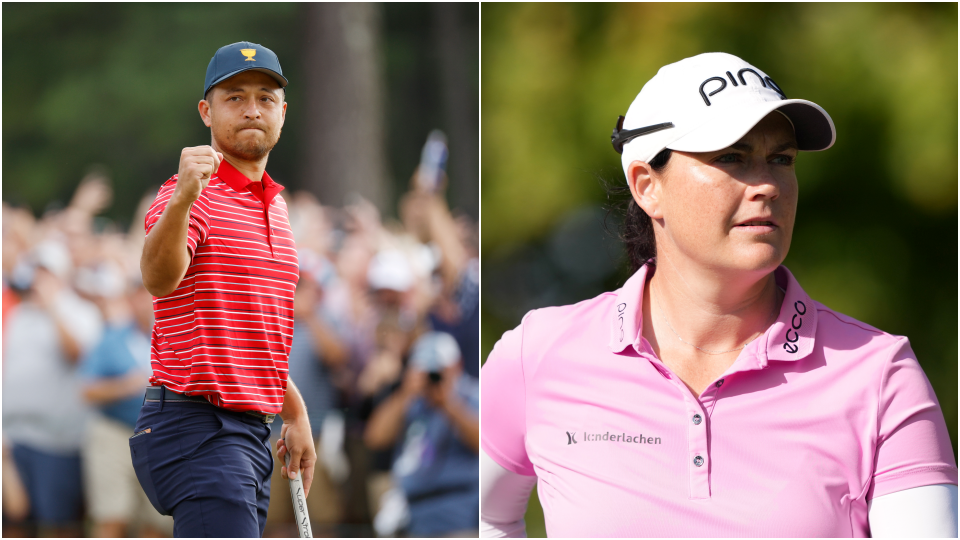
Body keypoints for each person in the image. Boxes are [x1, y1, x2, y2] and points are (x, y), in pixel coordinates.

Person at [480, 53, 958, 537]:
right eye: (731, 156)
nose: (768, 184)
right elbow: (482, 514)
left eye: (782, 159)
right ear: (648, 187)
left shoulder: (880, 375)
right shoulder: (537, 353)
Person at [133, 41, 316, 537]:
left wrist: (293, 411)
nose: (252, 109)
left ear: (282, 112)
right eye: (234, 97)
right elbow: (157, 278)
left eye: (264, 97)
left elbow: (251, 332)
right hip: (197, 425)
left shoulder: (275, 207)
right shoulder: (189, 191)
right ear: (206, 113)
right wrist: (183, 202)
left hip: (248, 431)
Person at [2, 240, 103, 537]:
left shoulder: (81, 311)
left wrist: (54, 308)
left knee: (56, 526)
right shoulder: (19, 314)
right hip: (15, 438)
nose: (39, 279)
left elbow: (78, 355)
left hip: (58, 443)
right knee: (13, 524)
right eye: (37, 272)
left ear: (62, 276)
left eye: (47, 273)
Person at [80, 276, 173, 537]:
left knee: (156, 522)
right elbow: (87, 389)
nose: (150, 303)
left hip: (160, 437)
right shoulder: (112, 338)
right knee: (112, 516)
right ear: (131, 300)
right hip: (115, 433)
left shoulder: (174, 340)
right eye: (142, 295)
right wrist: (125, 386)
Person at [366, 332, 479, 537]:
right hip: (414, 517)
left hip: (457, 516)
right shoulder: (412, 401)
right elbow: (375, 438)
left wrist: (448, 405)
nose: (431, 379)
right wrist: (405, 393)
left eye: (438, 371)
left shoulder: (472, 394)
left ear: (457, 365)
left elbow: (485, 445)